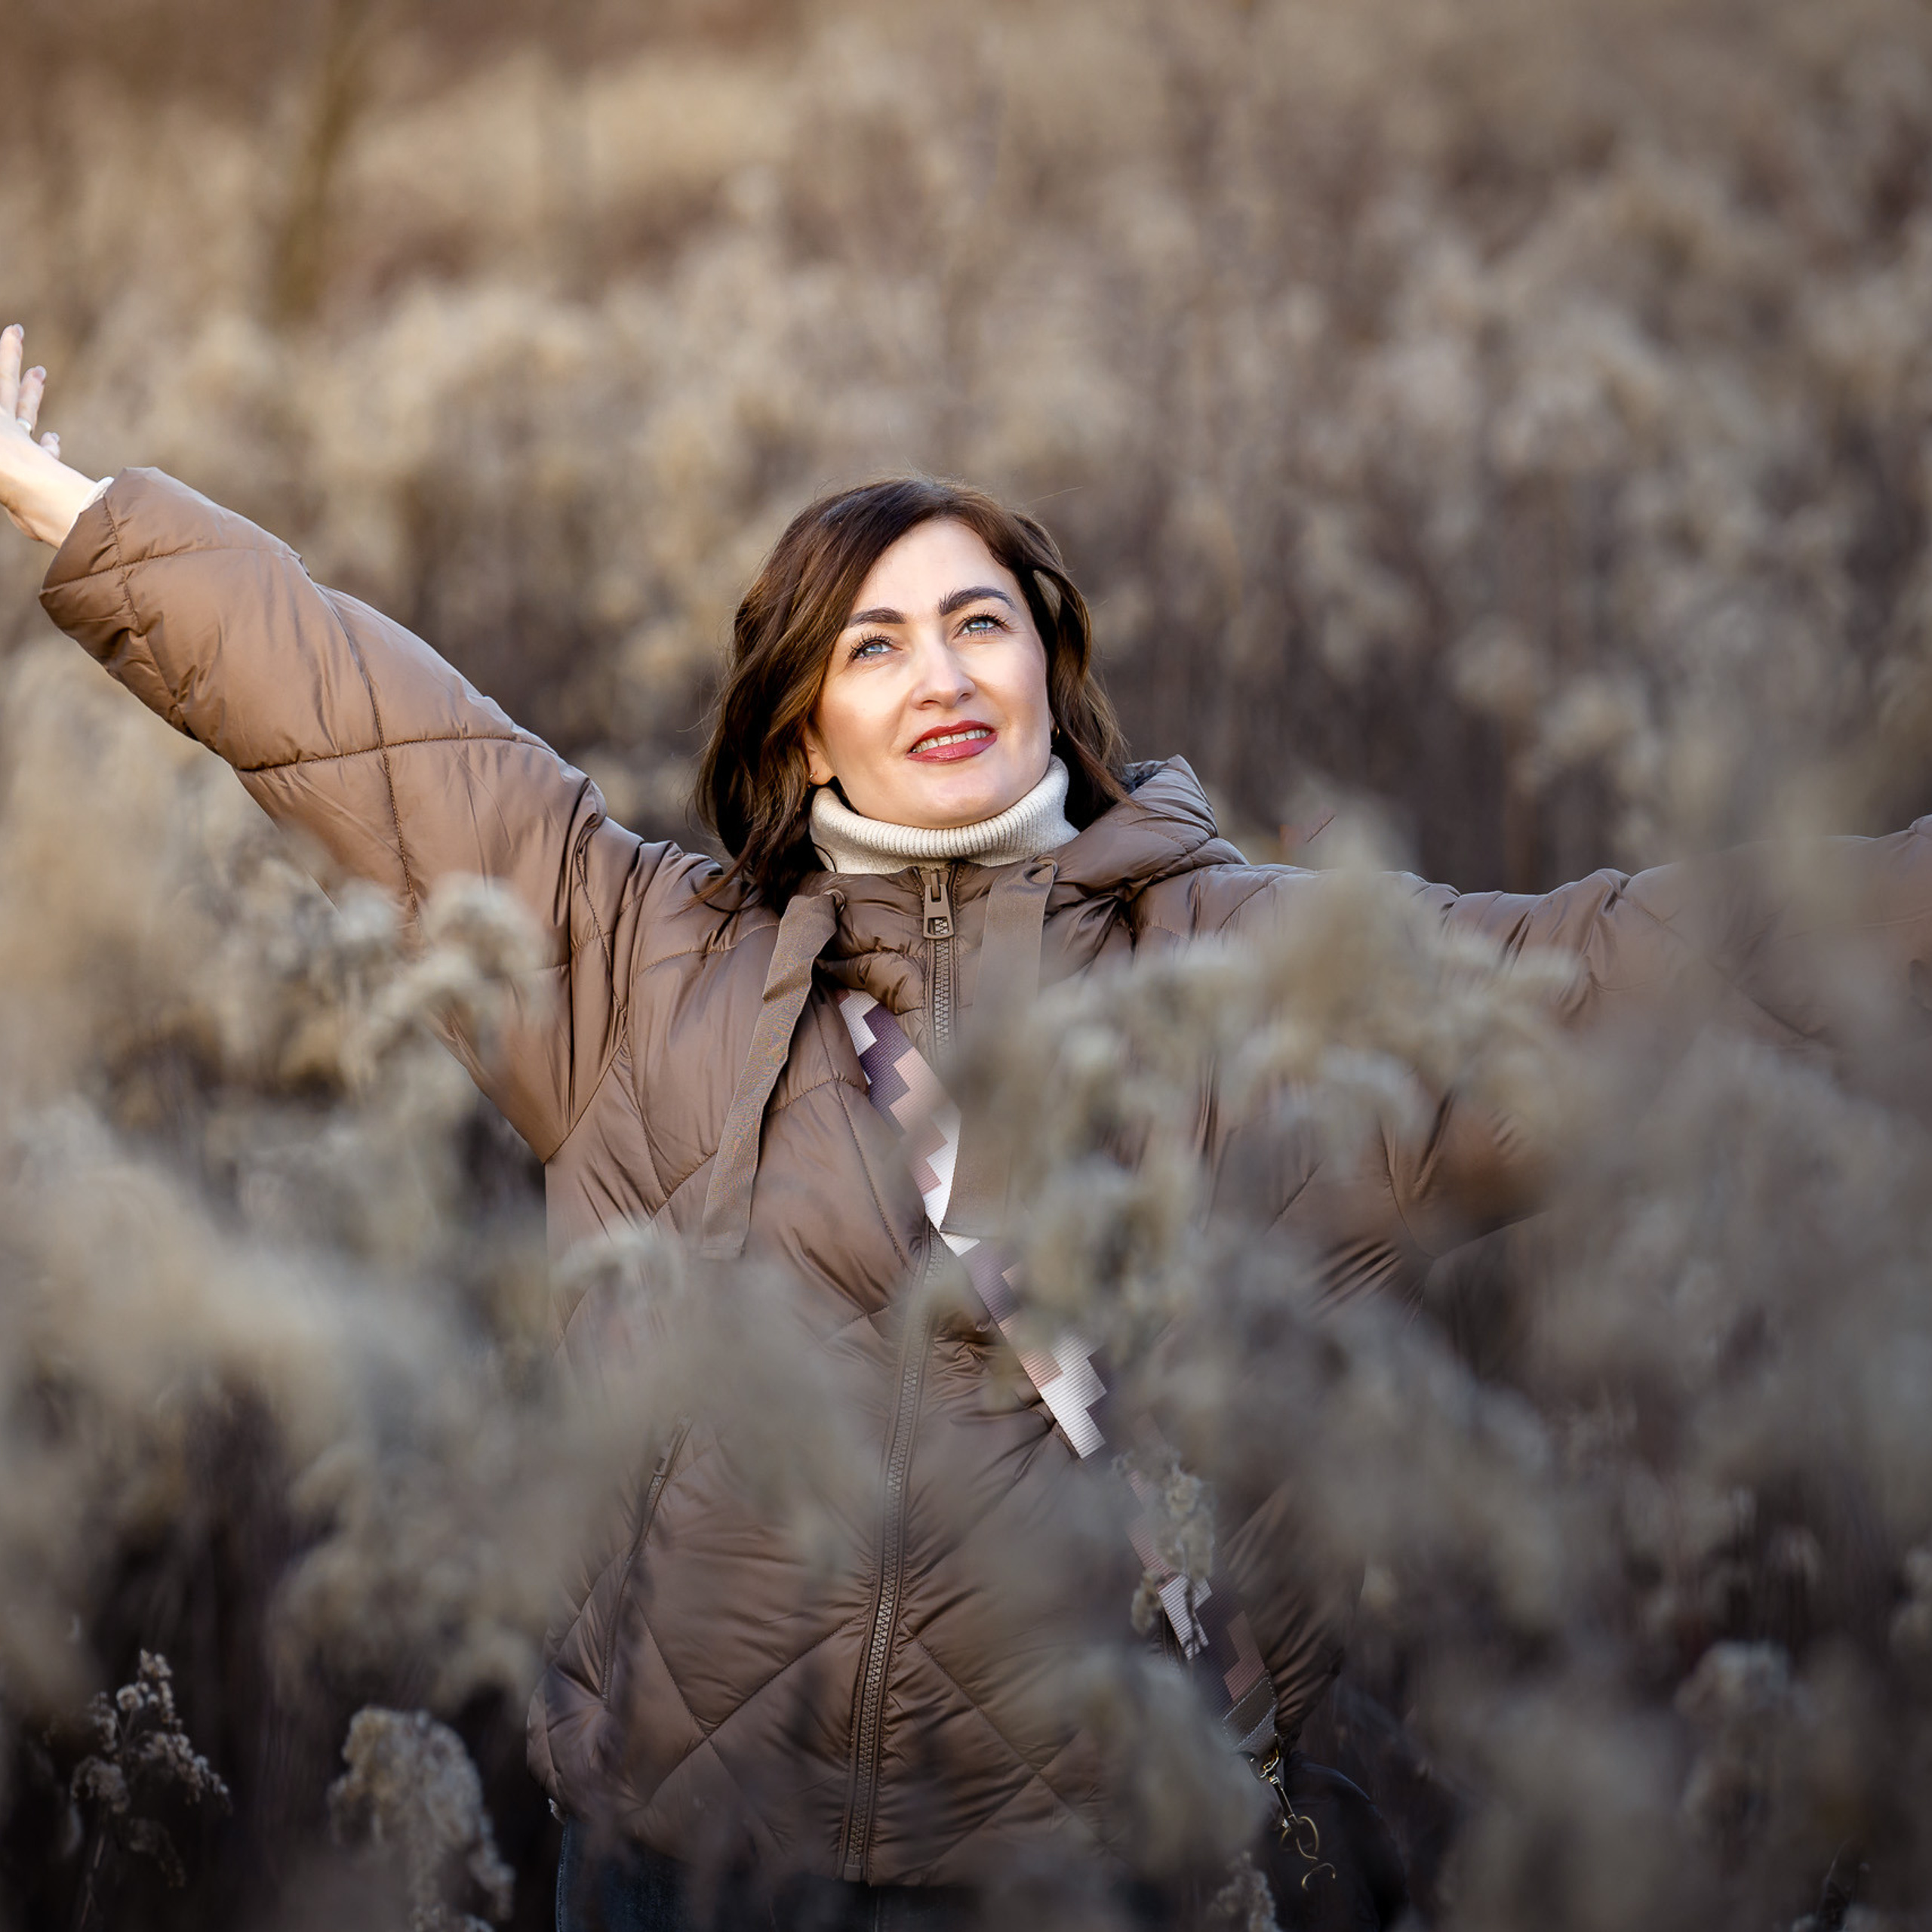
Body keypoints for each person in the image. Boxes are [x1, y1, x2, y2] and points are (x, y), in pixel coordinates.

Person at [5, 323, 1930, 1931]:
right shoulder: (626, 959)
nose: (940, 672)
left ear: (1048, 671)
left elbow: (1627, 970)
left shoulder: (1241, 971)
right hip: (684, 1853)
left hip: (1085, 1865)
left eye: (981, 623)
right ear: (793, 727)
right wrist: (67, 508)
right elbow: (362, 720)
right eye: (873, 641)